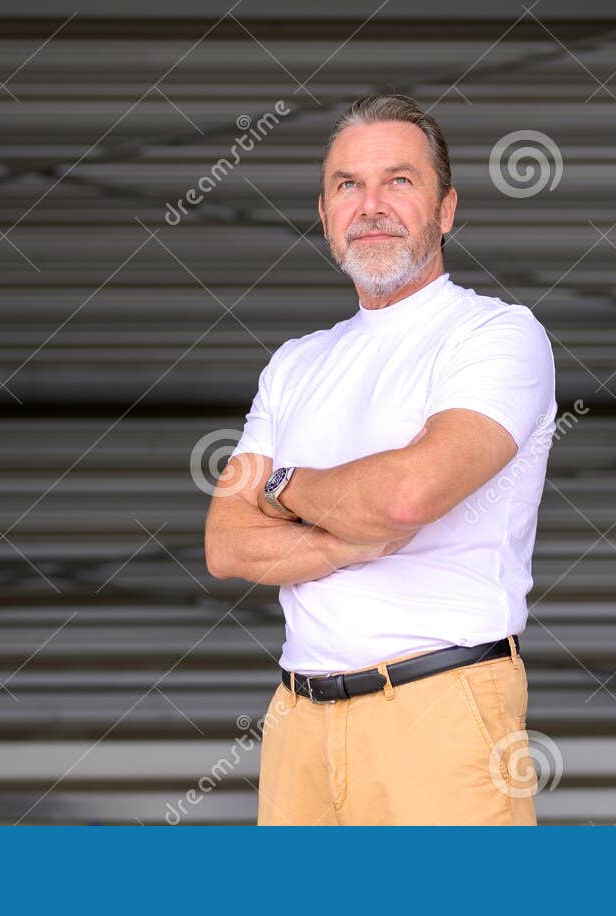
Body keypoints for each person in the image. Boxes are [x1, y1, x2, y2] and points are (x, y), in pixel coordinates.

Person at [204, 93, 558, 824]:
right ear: (326, 214)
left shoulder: (496, 336)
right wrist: (350, 529)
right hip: (298, 719)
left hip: (440, 710)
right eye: (347, 185)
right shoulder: (295, 364)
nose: (370, 205)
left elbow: (407, 497)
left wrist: (280, 488)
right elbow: (225, 543)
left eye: (398, 181)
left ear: (446, 208)